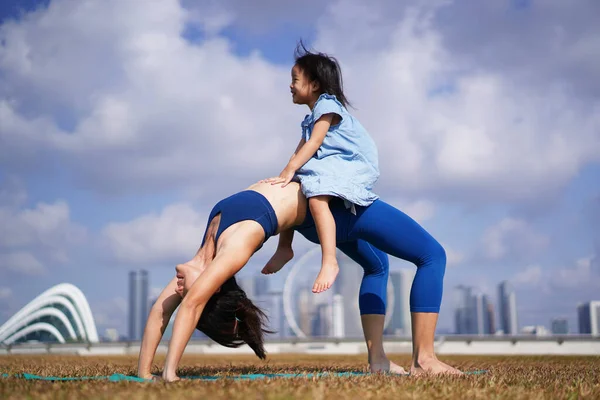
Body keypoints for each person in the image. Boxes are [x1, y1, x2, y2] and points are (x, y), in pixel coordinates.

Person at [137, 181, 461, 382]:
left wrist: (143, 373)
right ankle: (424, 360)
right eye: (186, 289)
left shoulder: (204, 253)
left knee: (376, 266)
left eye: (179, 288)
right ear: (213, 286)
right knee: (432, 256)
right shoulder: (232, 251)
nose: (177, 288)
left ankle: (378, 361)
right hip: (337, 212)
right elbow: (191, 304)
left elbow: (160, 313)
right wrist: (169, 374)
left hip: (315, 214)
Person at [262, 42, 380, 294]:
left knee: (316, 198)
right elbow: (300, 150)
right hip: (332, 161)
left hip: (351, 163)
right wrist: (287, 174)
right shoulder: (311, 117)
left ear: (314, 85)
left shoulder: (327, 105)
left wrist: (291, 168)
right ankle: (285, 247)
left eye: (295, 79)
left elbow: (315, 143)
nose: (290, 85)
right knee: (293, 188)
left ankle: (329, 261)